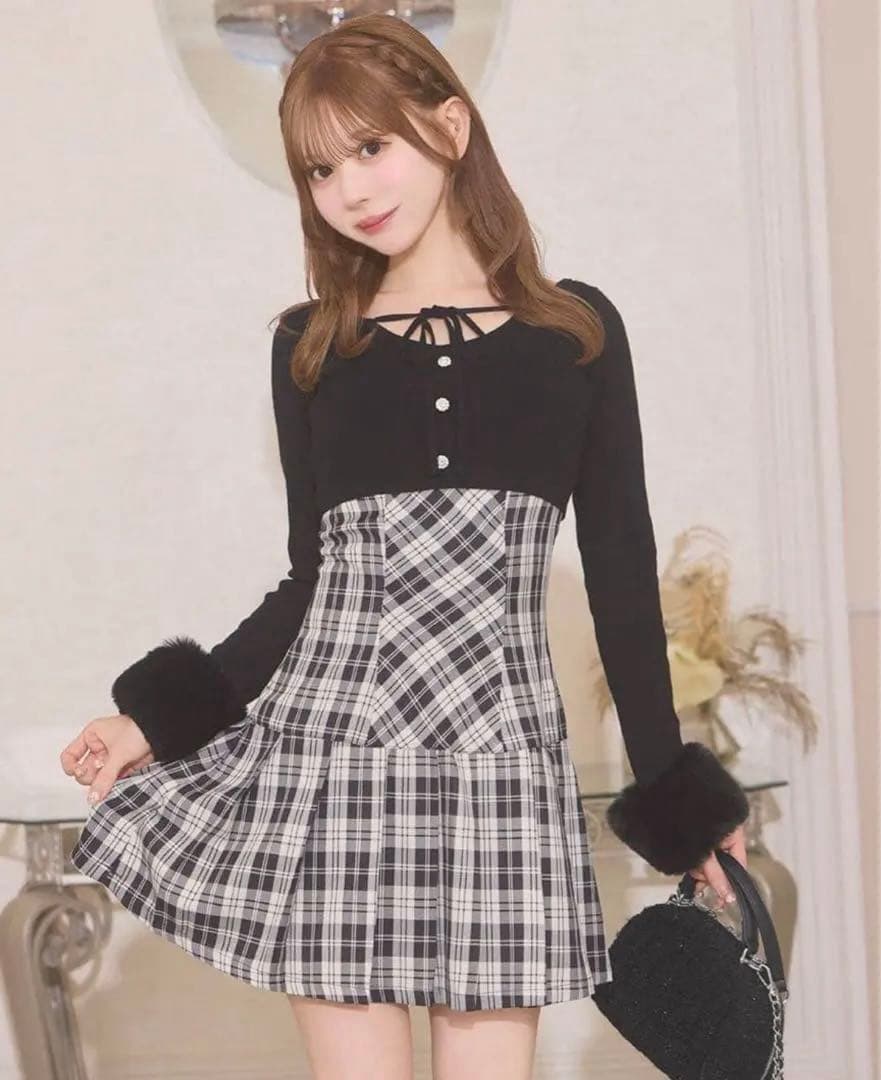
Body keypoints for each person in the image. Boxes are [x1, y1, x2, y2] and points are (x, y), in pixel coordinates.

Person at [59, 13, 750, 1080]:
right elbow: (308, 584)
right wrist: (153, 719)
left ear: (450, 125)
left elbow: (619, 578)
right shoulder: (310, 346)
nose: (349, 188)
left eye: (370, 147)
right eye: (320, 169)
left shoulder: (574, 333)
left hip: (499, 764)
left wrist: (677, 802)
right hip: (332, 757)